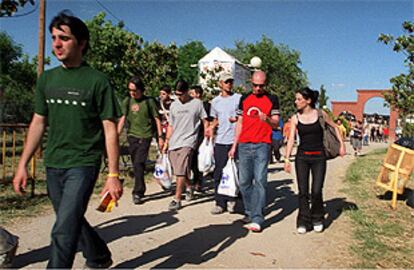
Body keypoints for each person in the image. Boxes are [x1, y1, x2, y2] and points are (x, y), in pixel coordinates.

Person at [12, 11, 122, 268]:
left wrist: (113, 175)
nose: (57, 44)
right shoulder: (47, 79)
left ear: (81, 43)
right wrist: (22, 164)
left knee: (62, 229)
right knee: (69, 218)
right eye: (53, 38)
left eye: (64, 38)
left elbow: (110, 129)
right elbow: (38, 122)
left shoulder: (97, 81)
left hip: (83, 163)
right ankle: (98, 256)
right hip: (54, 162)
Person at [284, 87, 345, 234]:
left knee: (316, 191)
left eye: (299, 99)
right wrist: (286, 158)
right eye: (296, 99)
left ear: (308, 101)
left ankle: (317, 218)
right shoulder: (295, 118)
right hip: (302, 158)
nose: (296, 102)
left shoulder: (320, 114)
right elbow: (291, 138)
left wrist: (341, 145)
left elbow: (335, 127)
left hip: (319, 157)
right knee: (303, 191)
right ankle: (303, 220)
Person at [229, 70, 280, 232]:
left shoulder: (272, 99)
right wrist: (234, 145)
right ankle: (250, 211)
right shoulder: (244, 99)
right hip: (244, 144)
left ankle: (258, 217)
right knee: (244, 182)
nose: (258, 88)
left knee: (260, 180)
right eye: (255, 85)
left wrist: (268, 120)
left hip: (262, 145)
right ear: (251, 82)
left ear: (266, 84)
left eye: (261, 86)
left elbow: (276, 124)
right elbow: (239, 123)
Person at [163, 80, 209, 211]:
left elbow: (204, 120)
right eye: (176, 94)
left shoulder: (197, 104)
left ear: (187, 91)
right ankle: (189, 186)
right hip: (174, 142)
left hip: (189, 141)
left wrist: (207, 134)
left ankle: (177, 199)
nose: (179, 97)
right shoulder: (173, 105)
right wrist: (166, 141)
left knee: (181, 169)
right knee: (178, 169)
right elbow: (171, 125)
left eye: (181, 94)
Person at [117, 76, 163, 204]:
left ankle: (137, 191)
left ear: (141, 89)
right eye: (130, 90)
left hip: (145, 135)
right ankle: (140, 187)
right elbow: (122, 118)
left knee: (138, 162)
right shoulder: (127, 101)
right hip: (132, 136)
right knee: (137, 164)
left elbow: (157, 119)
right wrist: (116, 134)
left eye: (134, 90)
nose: (132, 93)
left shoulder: (149, 102)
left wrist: (160, 137)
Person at [206, 71, 241, 215]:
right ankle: (220, 202)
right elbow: (215, 119)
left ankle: (233, 199)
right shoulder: (215, 102)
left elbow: (243, 117)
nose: (229, 84)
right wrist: (211, 128)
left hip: (236, 140)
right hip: (221, 141)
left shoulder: (239, 99)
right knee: (219, 173)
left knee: (235, 172)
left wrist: (237, 120)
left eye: (231, 81)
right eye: (226, 82)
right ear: (220, 84)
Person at [188, 85, 212, 193]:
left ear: (198, 94)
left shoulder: (206, 106)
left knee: (200, 158)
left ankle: (198, 181)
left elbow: (210, 120)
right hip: (191, 135)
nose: (190, 96)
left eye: (192, 94)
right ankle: (195, 179)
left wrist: (210, 134)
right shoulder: (189, 106)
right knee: (192, 159)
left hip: (202, 135)